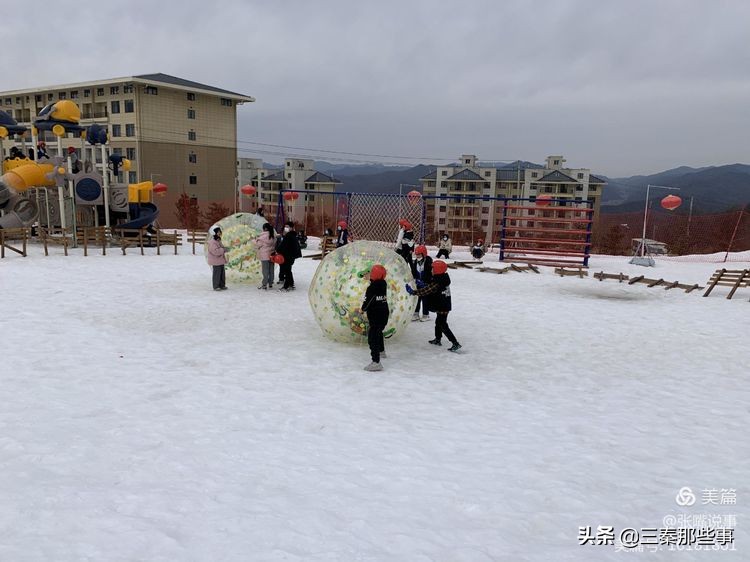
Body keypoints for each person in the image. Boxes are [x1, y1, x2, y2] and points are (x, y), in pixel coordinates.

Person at [406, 260, 461, 352]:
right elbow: (431, 287)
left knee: (443, 325)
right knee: (438, 323)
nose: (431, 270)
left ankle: (455, 343)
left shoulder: (438, 282)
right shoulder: (441, 278)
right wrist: (424, 284)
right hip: (443, 305)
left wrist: (413, 292)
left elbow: (426, 291)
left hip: (443, 307)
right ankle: (438, 339)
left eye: (433, 268)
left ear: (438, 270)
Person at [361, 264, 389, 371]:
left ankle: (376, 361)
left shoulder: (372, 288)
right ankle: (381, 351)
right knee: (379, 332)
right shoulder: (383, 284)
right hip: (384, 313)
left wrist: (363, 309)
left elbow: (368, 301)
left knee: (373, 337)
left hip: (375, 315)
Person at [277, 221, 301, 291]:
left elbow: (283, 245)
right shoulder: (292, 235)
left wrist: (278, 251)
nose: (286, 228)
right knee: (288, 270)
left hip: (288, 255)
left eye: (287, 227)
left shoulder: (289, 236)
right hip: (290, 255)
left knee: (287, 270)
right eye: (285, 227)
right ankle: (291, 283)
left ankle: (286, 286)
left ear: (291, 228)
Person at [410, 245, 433, 322]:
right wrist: (414, 280)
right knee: (417, 299)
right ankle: (416, 314)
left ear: (423, 254)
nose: (417, 256)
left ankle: (426, 315)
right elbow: (414, 272)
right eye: (416, 255)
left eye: (419, 254)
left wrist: (426, 281)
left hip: (426, 284)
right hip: (418, 284)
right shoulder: (415, 262)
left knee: (425, 299)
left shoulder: (428, 261)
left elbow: (430, 273)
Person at [254, 222, 276, 290]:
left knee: (265, 271)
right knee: (271, 270)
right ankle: (270, 283)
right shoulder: (273, 235)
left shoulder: (262, 237)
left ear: (265, 229)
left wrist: (254, 240)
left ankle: (264, 284)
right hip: (272, 256)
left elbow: (257, 245)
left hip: (264, 256)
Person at [207, 227, 228, 291]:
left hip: (220, 260)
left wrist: (225, 249)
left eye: (220, 231)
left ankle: (222, 285)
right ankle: (216, 286)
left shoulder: (218, 240)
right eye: (218, 232)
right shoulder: (212, 242)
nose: (219, 233)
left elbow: (221, 248)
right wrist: (223, 249)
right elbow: (215, 251)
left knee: (222, 273)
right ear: (214, 233)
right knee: (217, 274)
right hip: (215, 260)